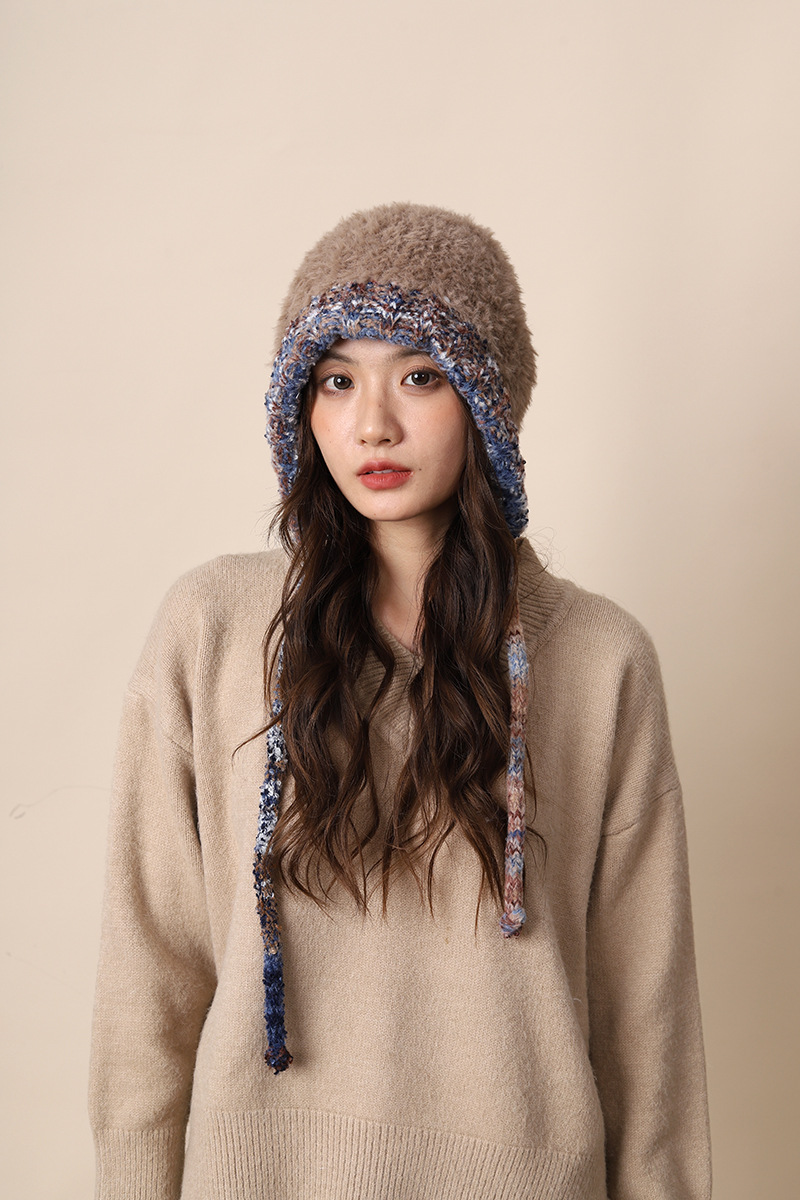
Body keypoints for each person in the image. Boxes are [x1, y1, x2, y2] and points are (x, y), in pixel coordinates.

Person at [89, 203, 711, 1200]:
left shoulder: (600, 661)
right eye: (336, 380)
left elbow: (648, 1023)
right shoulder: (212, 629)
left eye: (419, 375)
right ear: (302, 408)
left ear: (484, 400)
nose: (371, 423)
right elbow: (149, 976)